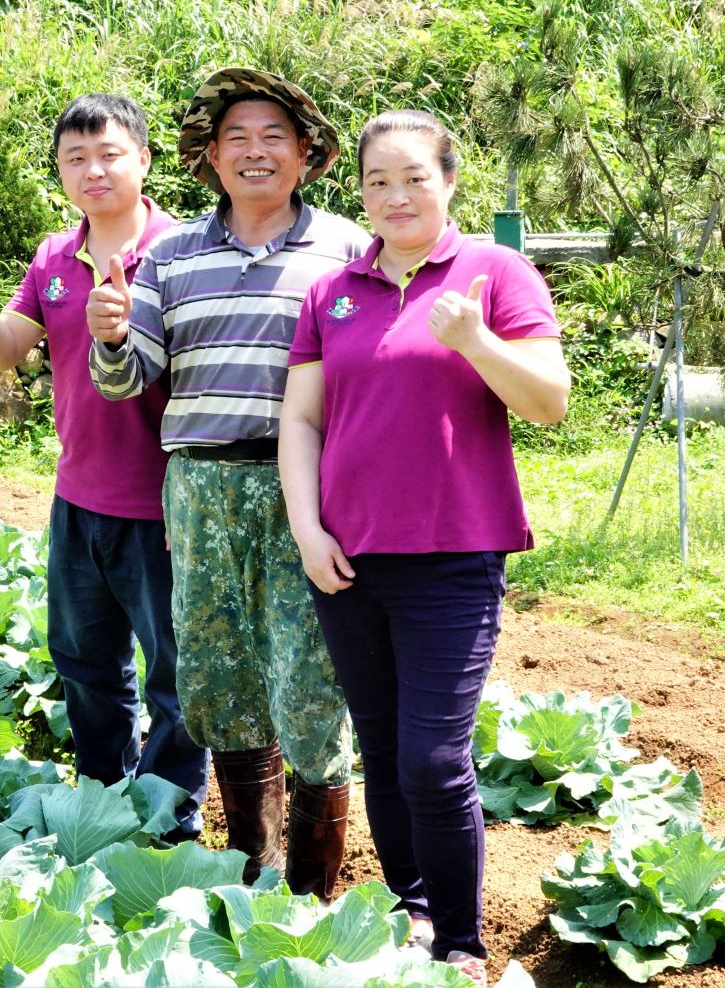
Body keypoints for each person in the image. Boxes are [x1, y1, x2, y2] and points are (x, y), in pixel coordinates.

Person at [279, 110, 569, 983]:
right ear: (357, 192)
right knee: (381, 742)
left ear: (448, 180)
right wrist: (306, 528)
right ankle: (410, 908)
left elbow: (549, 400)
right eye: (376, 181)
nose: (395, 195)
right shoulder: (334, 292)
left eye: (414, 176)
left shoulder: (495, 273)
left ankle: (461, 941)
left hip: (452, 556)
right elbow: (300, 417)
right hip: (349, 562)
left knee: (434, 759)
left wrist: (475, 341)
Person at [85, 69, 368, 899]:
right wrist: (108, 336)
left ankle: (313, 894)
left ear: (307, 156)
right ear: (209, 158)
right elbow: (127, 378)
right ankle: (255, 864)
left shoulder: (348, 249)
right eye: (236, 139)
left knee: (310, 684)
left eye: (273, 137)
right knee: (218, 681)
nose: (255, 152)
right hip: (202, 490)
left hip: (308, 490)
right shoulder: (169, 256)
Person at [0, 93, 208, 835]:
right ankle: (105, 793)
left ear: (144, 159)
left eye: (108, 154)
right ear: (61, 172)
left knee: (172, 670)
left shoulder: (187, 251)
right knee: (83, 661)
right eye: (75, 159)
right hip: (79, 498)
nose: (93, 170)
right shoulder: (52, 256)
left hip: (166, 504)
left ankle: (170, 812)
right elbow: (7, 351)